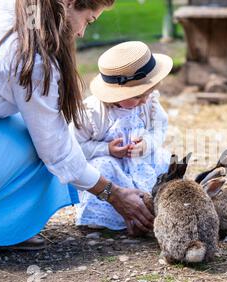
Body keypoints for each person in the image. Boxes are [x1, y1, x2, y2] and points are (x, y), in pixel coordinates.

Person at [0, 0, 154, 264]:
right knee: (43, 146)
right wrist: (114, 194)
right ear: (70, 3)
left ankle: (4, 227)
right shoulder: (33, 55)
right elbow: (56, 150)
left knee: (33, 127)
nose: (82, 33)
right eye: (89, 20)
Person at [73, 41, 172, 230]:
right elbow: (74, 146)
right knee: (101, 167)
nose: (143, 100)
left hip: (141, 162)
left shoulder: (149, 104)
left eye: (148, 93)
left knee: (164, 159)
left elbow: (159, 128)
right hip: (112, 167)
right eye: (136, 96)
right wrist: (106, 149)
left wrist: (147, 143)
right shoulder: (92, 112)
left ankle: (153, 209)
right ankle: (104, 218)